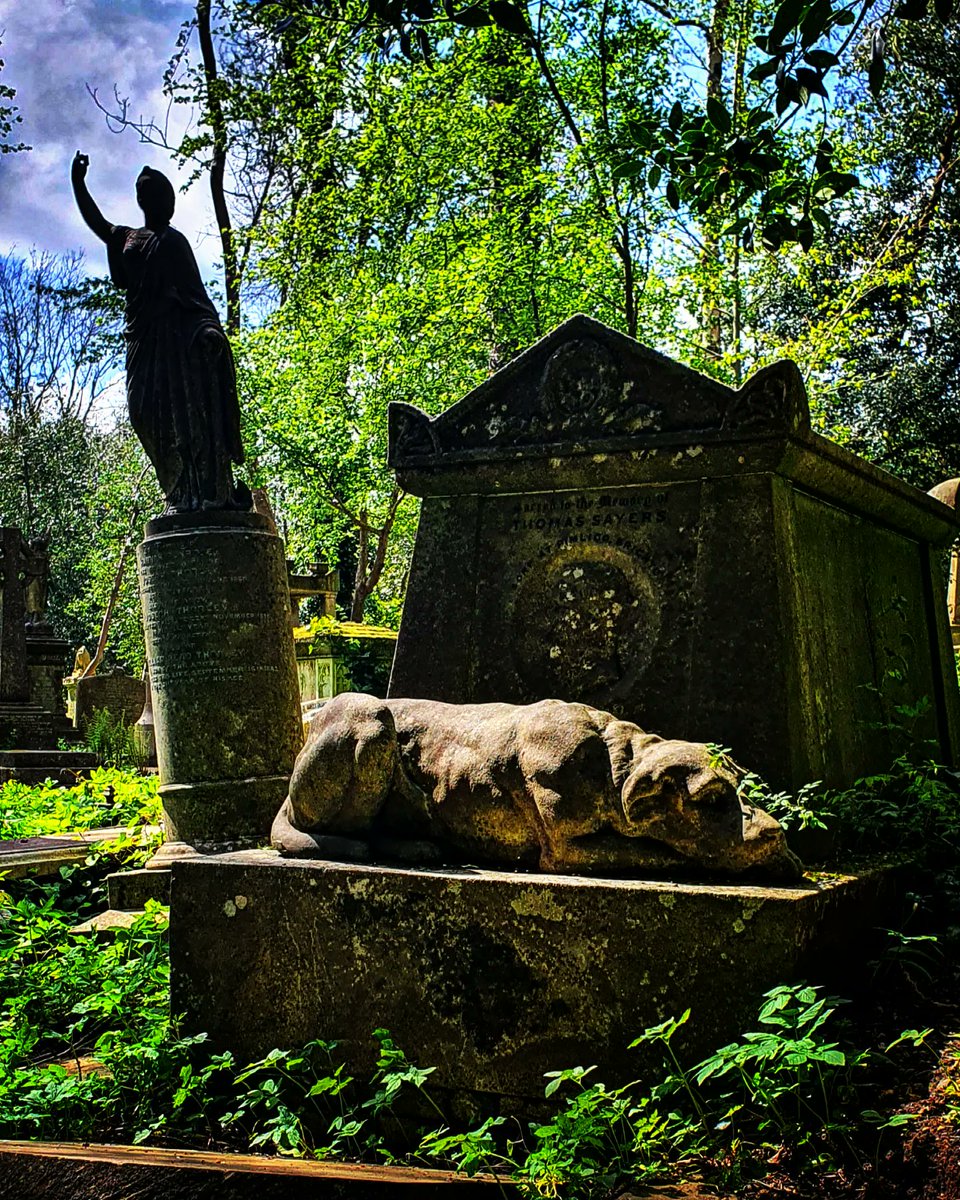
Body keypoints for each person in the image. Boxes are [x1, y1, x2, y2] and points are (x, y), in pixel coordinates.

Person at [71, 151, 247, 514]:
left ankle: (194, 493)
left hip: (177, 344)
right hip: (143, 340)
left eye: (155, 192)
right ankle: (176, 489)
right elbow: (98, 223)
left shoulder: (173, 242)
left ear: (167, 201)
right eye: (143, 192)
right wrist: (78, 182)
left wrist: (209, 331)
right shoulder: (128, 236)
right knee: (142, 412)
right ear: (141, 201)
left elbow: (197, 296)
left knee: (186, 417)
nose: (148, 196)